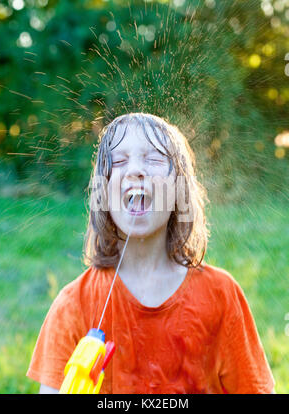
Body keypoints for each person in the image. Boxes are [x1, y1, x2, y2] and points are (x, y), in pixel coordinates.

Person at [26, 112, 275, 394]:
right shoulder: (73, 306)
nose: (136, 170)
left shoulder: (221, 296)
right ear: (103, 192)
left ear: (179, 190)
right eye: (119, 161)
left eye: (154, 159)